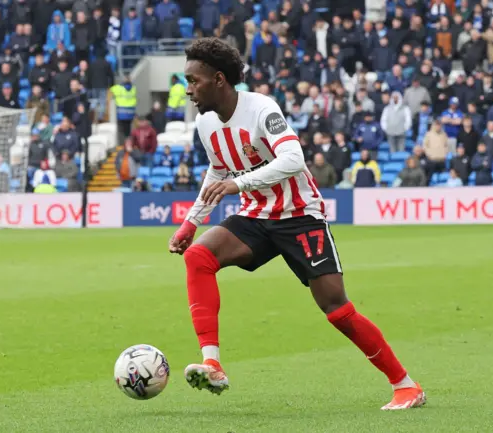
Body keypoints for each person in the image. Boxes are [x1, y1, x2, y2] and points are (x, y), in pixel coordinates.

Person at [168, 38, 425, 410]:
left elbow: (293, 158)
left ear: (219, 79)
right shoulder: (206, 122)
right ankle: (213, 363)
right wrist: (191, 223)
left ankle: (405, 385)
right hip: (255, 216)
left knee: (336, 308)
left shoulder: (261, 109)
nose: (188, 89)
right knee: (199, 258)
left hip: (299, 216)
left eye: (193, 80)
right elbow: (219, 168)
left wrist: (238, 184)